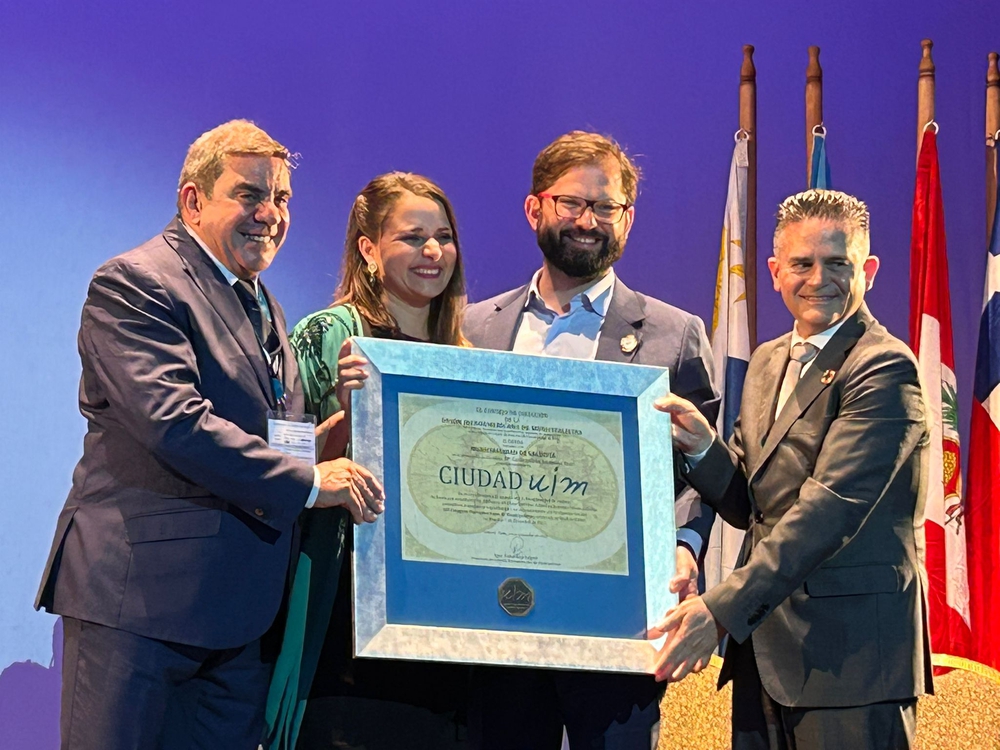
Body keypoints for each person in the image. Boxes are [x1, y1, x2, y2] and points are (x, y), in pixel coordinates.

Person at [34, 120, 385, 750]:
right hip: (142, 604)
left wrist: (346, 425)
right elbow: (175, 422)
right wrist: (310, 482)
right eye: (249, 195)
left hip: (240, 619)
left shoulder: (263, 303)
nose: (270, 214)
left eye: (281, 198)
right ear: (193, 201)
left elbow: (271, 439)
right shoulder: (136, 283)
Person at [462, 131, 719, 749]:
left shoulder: (675, 335)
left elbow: (702, 470)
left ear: (628, 218)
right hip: (497, 623)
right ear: (535, 209)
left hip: (617, 621)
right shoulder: (473, 328)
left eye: (606, 206)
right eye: (572, 203)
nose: (588, 221)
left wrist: (683, 546)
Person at [653, 189, 933, 749]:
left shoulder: (883, 365)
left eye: (838, 263)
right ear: (776, 271)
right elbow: (751, 504)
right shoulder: (767, 360)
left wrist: (720, 611)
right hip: (765, 653)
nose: (818, 279)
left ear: (868, 271)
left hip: (852, 663)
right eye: (802, 263)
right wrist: (703, 448)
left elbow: (828, 512)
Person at [265, 172, 471, 750]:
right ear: (369, 249)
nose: (433, 252)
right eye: (412, 237)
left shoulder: (466, 352)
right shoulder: (327, 334)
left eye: (444, 237)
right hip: (348, 621)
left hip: (441, 618)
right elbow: (282, 464)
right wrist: (350, 419)